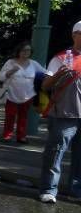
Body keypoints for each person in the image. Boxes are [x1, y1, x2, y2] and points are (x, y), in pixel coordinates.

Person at [38, 22, 81, 203]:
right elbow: (45, 85)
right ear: (75, 35)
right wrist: (58, 75)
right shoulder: (61, 58)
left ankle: (76, 190)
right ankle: (49, 189)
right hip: (64, 113)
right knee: (56, 152)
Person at [0, 41, 46, 143]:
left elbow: (45, 73)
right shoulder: (10, 62)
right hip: (11, 95)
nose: (26, 52)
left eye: (28, 50)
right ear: (18, 51)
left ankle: (21, 136)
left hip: (28, 96)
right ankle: (7, 135)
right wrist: (10, 72)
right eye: (23, 50)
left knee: (23, 117)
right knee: (10, 116)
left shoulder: (34, 64)